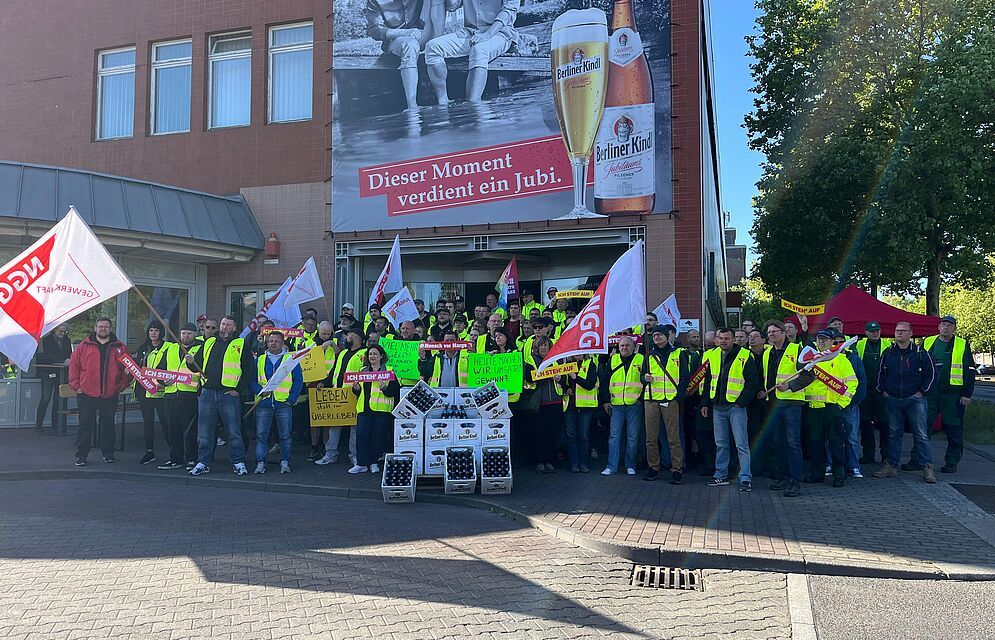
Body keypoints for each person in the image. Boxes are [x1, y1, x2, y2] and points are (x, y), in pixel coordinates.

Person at [188, 315, 255, 476]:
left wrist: (238, 389)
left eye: (228, 325)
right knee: (205, 431)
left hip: (228, 394)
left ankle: (238, 461)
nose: (224, 327)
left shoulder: (241, 343)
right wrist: (190, 362)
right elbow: (196, 367)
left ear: (234, 327)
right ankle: (203, 462)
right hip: (208, 393)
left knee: (233, 431)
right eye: (223, 324)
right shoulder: (209, 342)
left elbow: (248, 370)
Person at [872, 321, 936, 483]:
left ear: (910, 333)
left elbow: (932, 375)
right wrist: (883, 390)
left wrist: (921, 392)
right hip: (893, 399)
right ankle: (891, 466)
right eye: (897, 330)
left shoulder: (921, 353)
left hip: (915, 400)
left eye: (903, 331)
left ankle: (927, 468)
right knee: (894, 434)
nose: (899, 333)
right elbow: (879, 374)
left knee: (921, 434)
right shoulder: (888, 353)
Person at [910, 315, 975, 474]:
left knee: (953, 428)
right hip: (930, 392)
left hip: (953, 395)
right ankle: (917, 459)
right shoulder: (928, 341)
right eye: (943, 324)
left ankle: (951, 462)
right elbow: (919, 366)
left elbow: (970, 371)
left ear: (954, 328)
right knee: (923, 427)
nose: (946, 327)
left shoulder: (962, 344)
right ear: (939, 327)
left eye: (949, 325)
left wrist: (966, 394)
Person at [700, 328, 758, 491]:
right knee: (721, 444)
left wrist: (741, 402)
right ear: (717, 339)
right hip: (717, 407)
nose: (723, 341)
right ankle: (720, 475)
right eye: (720, 338)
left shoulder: (745, 355)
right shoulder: (713, 355)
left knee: (741, 444)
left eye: (727, 338)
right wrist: (705, 403)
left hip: (736, 407)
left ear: (733, 339)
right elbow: (708, 380)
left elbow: (752, 382)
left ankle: (745, 478)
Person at [68, 317, 130, 465]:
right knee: (85, 425)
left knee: (108, 425)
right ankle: (81, 456)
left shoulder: (120, 347)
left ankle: (108, 454)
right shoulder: (83, 346)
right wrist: (77, 387)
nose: (103, 329)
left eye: (106, 327)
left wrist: (119, 386)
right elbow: (73, 366)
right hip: (87, 394)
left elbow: (128, 370)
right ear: (95, 328)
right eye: (100, 326)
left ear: (111, 328)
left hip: (109, 394)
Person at [801, 329, 858, 488]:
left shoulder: (841, 360)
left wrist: (841, 404)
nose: (821, 342)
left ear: (832, 342)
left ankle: (839, 475)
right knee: (815, 444)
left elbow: (852, 384)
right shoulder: (810, 360)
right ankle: (817, 474)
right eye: (819, 339)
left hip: (832, 408)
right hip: (813, 408)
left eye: (825, 339)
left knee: (836, 443)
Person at [761, 320, 808, 497]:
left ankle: (794, 481)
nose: (771, 334)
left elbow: (809, 375)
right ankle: (784, 477)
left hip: (791, 403)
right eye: (769, 332)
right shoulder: (767, 353)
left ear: (783, 333)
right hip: (773, 404)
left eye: (774, 331)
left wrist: (789, 386)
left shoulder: (797, 350)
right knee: (779, 442)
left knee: (793, 443)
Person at [642, 325, 690, 484]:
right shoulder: (648, 354)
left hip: (670, 400)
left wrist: (678, 396)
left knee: (673, 437)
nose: (656, 337)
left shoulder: (679, 353)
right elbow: (642, 376)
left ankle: (677, 470)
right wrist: (645, 378)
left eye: (659, 335)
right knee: (651, 437)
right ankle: (653, 467)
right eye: (654, 335)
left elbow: (685, 376)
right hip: (651, 400)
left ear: (666, 336)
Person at [364, 0, 434, 110]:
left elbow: (451, 6)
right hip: (395, 40)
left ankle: (442, 102)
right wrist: (403, 33)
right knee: (410, 45)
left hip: (423, 34)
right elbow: (375, 30)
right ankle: (412, 108)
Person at [251, 332, 303, 474]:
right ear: (267, 343)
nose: (273, 343)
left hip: (283, 403)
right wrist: (261, 391)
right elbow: (251, 381)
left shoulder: (290, 360)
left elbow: (298, 381)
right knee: (261, 435)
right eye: (271, 341)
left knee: (285, 435)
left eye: (276, 341)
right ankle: (260, 463)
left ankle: (285, 462)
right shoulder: (260, 360)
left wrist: (291, 400)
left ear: (282, 343)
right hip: (264, 404)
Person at [316, 328, 366, 466]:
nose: (345, 338)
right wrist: (323, 383)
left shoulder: (364, 353)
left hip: (354, 395)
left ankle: (354, 455)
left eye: (348, 335)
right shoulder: (343, 352)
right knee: (334, 425)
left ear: (355, 336)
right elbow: (334, 371)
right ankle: (330, 454)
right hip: (338, 394)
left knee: (354, 428)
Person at [350, 345, 400, 474]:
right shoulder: (362, 371)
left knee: (377, 438)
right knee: (361, 437)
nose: (372, 356)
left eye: (375, 354)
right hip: (364, 410)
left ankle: (373, 462)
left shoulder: (389, 371)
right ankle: (361, 463)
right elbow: (358, 392)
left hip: (381, 411)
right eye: (370, 354)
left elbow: (395, 392)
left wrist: (384, 388)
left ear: (381, 356)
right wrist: (355, 388)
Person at [600, 336, 644, 476]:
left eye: (627, 345)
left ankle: (630, 465)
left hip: (634, 404)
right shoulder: (612, 360)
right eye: (622, 346)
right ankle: (611, 466)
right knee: (614, 437)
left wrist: (641, 399)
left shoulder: (641, 359)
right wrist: (606, 400)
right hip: (616, 404)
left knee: (633, 437)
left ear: (634, 347)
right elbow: (605, 380)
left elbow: (645, 380)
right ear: (618, 347)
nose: (624, 348)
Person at [134, 320, 175, 466]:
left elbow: (170, 367)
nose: (153, 333)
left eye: (156, 330)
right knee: (148, 423)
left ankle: (175, 452)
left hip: (161, 392)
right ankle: (149, 451)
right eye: (151, 330)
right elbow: (138, 367)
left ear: (161, 332)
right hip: (144, 391)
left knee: (166, 422)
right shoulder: (143, 348)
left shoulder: (169, 348)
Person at [523, 336, 562, 473]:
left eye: (546, 345)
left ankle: (549, 461)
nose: (544, 348)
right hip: (540, 403)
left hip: (556, 401)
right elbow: (529, 376)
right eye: (541, 345)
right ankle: (539, 462)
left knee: (552, 434)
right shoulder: (531, 360)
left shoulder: (557, 359)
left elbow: (565, 377)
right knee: (539, 434)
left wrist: (560, 379)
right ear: (536, 347)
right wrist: (548, 375)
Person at [856, 321, 890, 464]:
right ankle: (868, 453)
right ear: (866, 332)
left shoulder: (888, 345)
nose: (875, 333)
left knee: (885, 423)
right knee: (865, 423)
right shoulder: (859, 345)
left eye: (877, 330)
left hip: (882, 392)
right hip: (865, 391)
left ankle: (886, 455)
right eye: (872, 331)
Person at [559, 355, 599, 473]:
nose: (577, 354)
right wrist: (566, 388)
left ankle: (583, 463)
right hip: (570, 406)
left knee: (583, 436)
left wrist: (576, 377)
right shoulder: (567, 365)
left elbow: (590, 384)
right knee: (571, 436)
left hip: (585, 407)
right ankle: (574, 463)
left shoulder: (590, 364)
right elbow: (563, 382)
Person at [305, 321, 338, 461]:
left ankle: (325, 446)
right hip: (313, 384)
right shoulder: (309, 343)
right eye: (324, 333)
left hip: (329, 383)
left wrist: (331, 343)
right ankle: (314, 446)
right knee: (315, 419)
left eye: (328, 333)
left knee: (327, 419)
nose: (326, 336)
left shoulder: (333, 342)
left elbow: (340, 355)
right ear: (318, 331)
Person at [836, 332, 866, 479]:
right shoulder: (824, 359)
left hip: (850, 405)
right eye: (835, 342)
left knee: (852, 437)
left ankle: (854, 466)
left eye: (841, 342)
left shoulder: (854, 358)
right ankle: (831, 464)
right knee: (832, 437)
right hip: (832, 405)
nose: (838, 345)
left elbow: (861, 381)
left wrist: (854, 401)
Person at [172, 323, 202, 469]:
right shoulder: (171, 348)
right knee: (173, 428)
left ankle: (191, 457)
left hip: (190, 394)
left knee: (190, 430)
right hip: (171, 393)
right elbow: (160, 368)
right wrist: (161, 381)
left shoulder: (200, 348)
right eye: (183, 333)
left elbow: (203, 370)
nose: (186, 336)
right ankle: (176, 458)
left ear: (195, 334)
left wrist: (193, 363)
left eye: (189, 333)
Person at [34, 322, 72, 433]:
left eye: (65, 331)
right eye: (61, 331)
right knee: (45, 398)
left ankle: (55, 424)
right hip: (48, 372)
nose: (63, 333)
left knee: (58, 399)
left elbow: (69, 353)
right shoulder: (47, 340)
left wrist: (68, 361)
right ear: (55, 329)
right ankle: (39, 425)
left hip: (62, 372)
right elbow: (48, 355)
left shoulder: (67, 340)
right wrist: (62, 361)